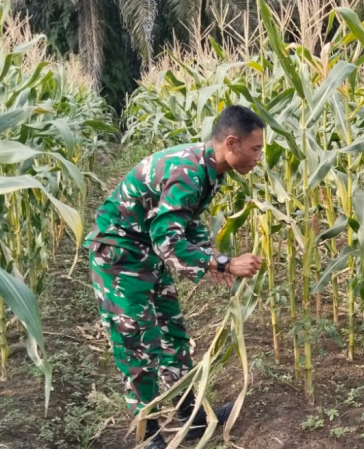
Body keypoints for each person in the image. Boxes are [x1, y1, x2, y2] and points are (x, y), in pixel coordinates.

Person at [84, 105, 266, 448]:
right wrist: (225, 262)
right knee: (138, 344)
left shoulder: (210, 168)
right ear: (231, 143)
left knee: (173, 336)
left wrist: (211, 258)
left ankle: (189, 415)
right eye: (255, 149)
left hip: (144, 250)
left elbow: (186, 222)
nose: (259, 158)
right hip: (119, 254)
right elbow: (166, 239)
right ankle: (148, 432)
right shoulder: (189, 171)